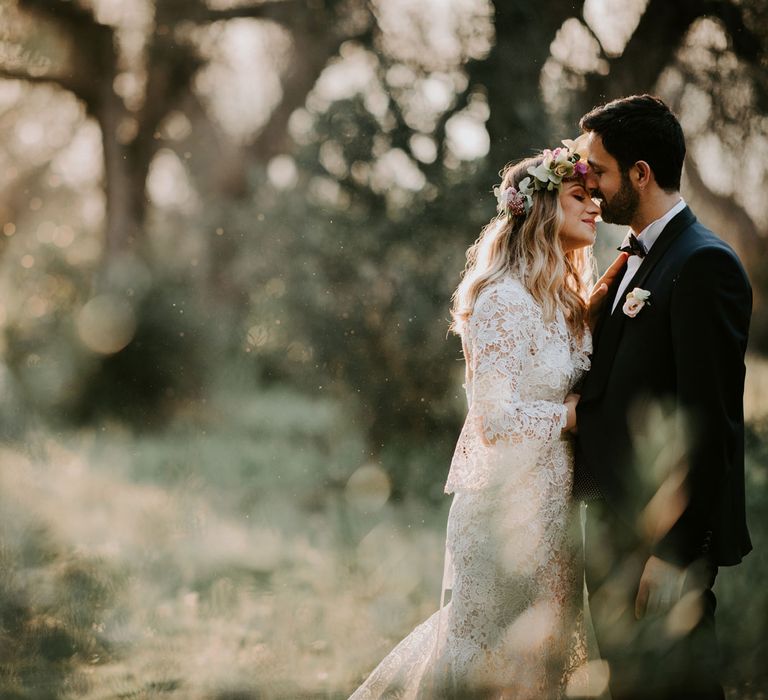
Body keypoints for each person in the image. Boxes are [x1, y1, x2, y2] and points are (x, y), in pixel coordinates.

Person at [350, 143, 620, 699]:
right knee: (485, 660)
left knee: (542, 661)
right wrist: (569, 418)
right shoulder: (502, 300)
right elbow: (493, 418)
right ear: (542, 209)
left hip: (555, 512)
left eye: (595, 196)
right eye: (579, 196)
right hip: (503, 509)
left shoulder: (562, 300)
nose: (595, 207)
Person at [573, 94, 752, 700]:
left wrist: (675, 552)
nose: (588, 183)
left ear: (641, 173)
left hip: (660, 542)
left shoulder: (704, 264)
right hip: (619, 528)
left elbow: (708, 420)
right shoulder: (634, 257)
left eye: (597, 170)